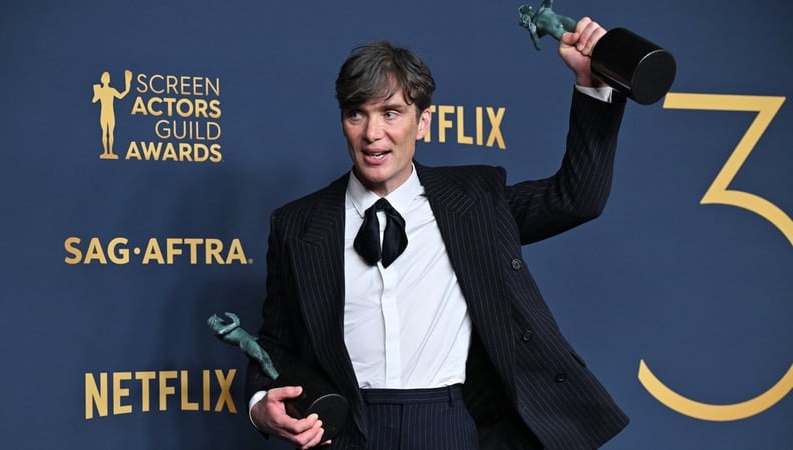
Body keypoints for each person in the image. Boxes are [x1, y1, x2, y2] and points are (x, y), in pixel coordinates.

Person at [246, 17, 629, 450]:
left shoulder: (475, 200)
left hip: (448, 424)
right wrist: (260, 404)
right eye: (358, 114)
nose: (373, 134)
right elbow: (276, 339)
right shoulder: (296, 224)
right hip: (345, 431)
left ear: (422, 122)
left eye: (391, 113)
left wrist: (592, 85)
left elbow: (577, 198)